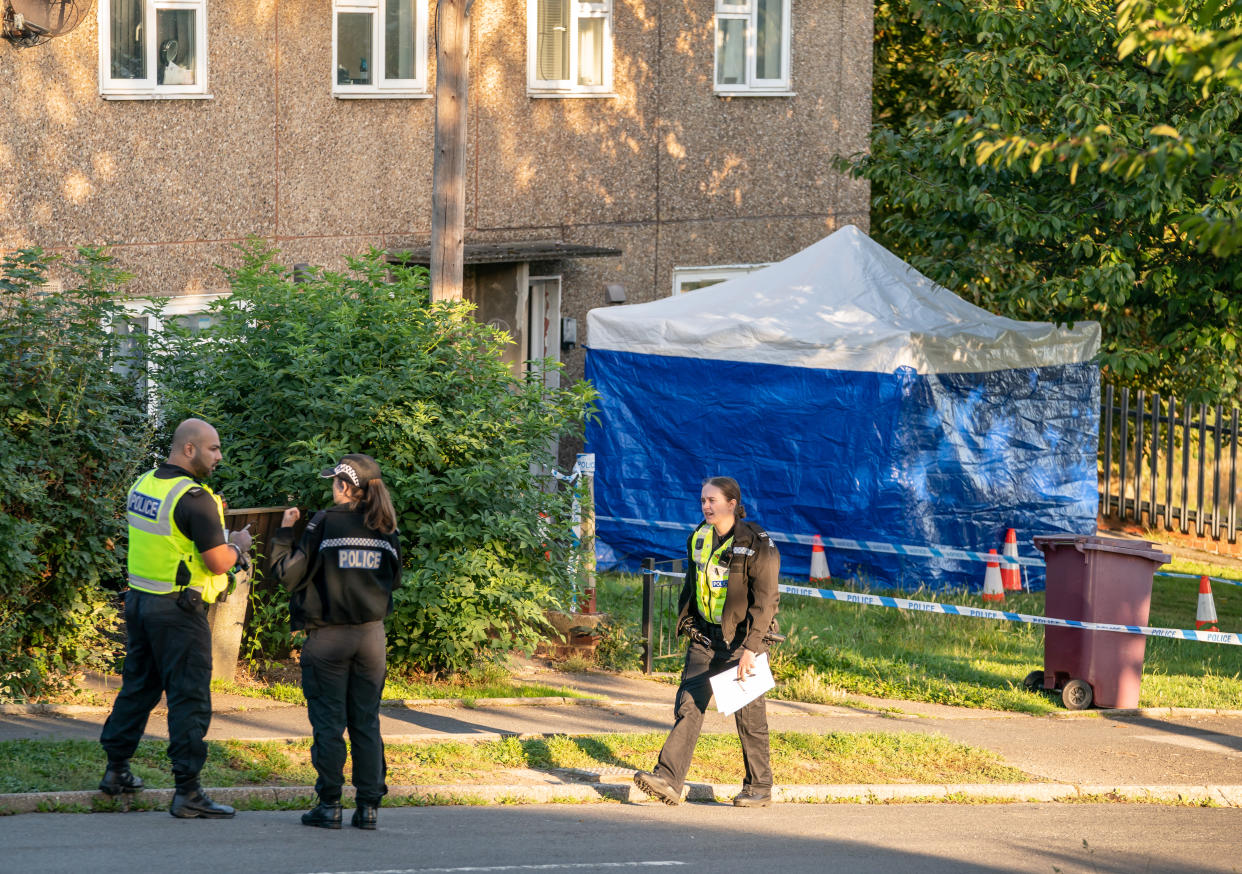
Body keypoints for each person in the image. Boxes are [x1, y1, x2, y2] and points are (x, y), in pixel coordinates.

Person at [99, 418, 253, 819]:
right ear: (189, 449)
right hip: (178, 612)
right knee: (189, 698)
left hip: (140, 603)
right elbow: (217, 562)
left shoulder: (144, 484)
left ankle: (116, 771)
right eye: (213, 449)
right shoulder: (195, 497)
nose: (219, 457)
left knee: (139, 687)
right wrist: (238, 547)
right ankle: (188, 792)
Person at [269, 453, 402, 830]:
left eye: (333, 482)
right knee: (365, 721)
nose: (331, 487)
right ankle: (369, 807)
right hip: (371, 637)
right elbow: (394, 580)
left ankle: (329, 805)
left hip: (328, 638)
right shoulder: (386, 527)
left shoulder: (324, 522)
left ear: (344, 487)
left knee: (328, 723)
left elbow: (288, 574)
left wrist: (284, 531)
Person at [633, 476, 780, 808]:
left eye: (712, 500)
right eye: (702, 500)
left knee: (748, 716)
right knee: (688, 706)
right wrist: (686, 619)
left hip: (744, 641)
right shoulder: (699, 536)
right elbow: (693, 581)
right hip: (705, 637)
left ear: (732, 504)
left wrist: (751, 650)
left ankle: (760, 787)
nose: (706, 506)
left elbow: (766, 602)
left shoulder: (758, 544)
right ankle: (669, 779)